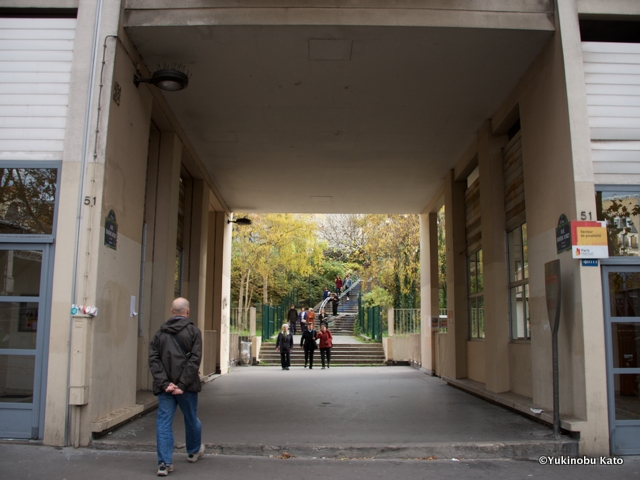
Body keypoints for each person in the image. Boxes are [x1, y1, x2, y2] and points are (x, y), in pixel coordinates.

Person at [149, 297, 205, 477]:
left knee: (164, 422)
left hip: (165, 388)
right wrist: (181, 385)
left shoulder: (159, 334)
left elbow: (154, 360)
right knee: (191, 418)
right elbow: (194, 360)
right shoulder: (193, 332)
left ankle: (164, 463)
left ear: (172, 312)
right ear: (187, 311)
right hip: (186, 387)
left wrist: (166, 384)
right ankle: (193, 451)